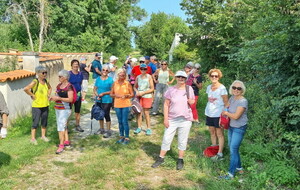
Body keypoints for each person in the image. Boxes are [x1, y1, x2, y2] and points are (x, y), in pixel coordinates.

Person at [151, 70, 195, 170]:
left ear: (185, 79)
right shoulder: (171, 90)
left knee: (182, 140)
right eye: (179, 77)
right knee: (166, 138)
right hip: (172, 119)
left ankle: (180, 159)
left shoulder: (189, 89)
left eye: (183, 77)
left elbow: (192, 102)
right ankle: (161, 158)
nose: (181, 79)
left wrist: (191, 101)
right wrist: (165, 119)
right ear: (175, 78)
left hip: (185, 119)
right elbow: (166, 105)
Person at [220, 80, 248, 179]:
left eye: (238, 88)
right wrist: (224, 111)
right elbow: (226, 107)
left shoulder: (243, 101)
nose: (236, 90)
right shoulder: (232, 98)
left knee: (233, 149)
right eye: (234, 88)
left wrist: (226, 113)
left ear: (242, 90)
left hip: (239, 128)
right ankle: (239, 167)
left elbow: (236, 116)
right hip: (231, 126)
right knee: (233, 148)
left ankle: (230, 174)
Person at [205, 68, 228, 161]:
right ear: (210, 77)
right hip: (209, 113)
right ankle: (214, 148)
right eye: (212, 76)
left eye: (216, 76)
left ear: (219, 77)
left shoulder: (222, 88)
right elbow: (209, 100)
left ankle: (220, 153)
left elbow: (226, 103)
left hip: (218, 114)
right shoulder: (208, 87)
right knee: (212, 131)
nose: (214, 77)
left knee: (219, 133)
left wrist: (223, 116)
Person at [24, 65, 52, 144]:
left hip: (45, 105)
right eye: (43, 73)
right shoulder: (35, 81)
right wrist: (32, 95)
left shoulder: (46, 81)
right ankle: (33, 138)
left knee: (44, 121)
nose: (45, 74)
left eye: (46, 72)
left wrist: (48, 94)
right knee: (35, 122)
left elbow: (50, 88)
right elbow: (26, 89)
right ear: (38, 73)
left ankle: (43, 136)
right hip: (36, 106)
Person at [50, 70, 73, 154]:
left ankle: (61, 145)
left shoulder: (69, 87)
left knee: (60, 126)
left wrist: (59, 98)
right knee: (63, 125)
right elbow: (57, 95)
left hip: (65, 109)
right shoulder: (59, 86)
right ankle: (66, 141)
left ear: (65, 77)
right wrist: (53, 98)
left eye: (60, 76)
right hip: (58, 108)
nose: (59, 78)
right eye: (59, 76)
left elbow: (70, 99)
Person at [110, 68, 134, 145]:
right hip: (117, 105)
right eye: (120, 74)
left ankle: (127, 138)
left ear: (125, 75)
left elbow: (132, 94)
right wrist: (115, 95)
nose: (122, 75)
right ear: (118, 75)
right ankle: (121, 137)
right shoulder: (115, 83)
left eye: (123, 74)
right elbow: (111, 94)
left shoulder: (127, 83)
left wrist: (127, 95)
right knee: (120, 122)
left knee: (124, 121)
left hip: (126, 104)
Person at [133, 63, 154, 135]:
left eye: (144, 69)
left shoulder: (149, 77)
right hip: (139, 96)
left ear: (146, 69)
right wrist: (137, 91)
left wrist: (143, 92)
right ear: (140, 69)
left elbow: (152, 88)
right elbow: (135, 87)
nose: (143, 70)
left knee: (146, 113)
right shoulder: (138, 77)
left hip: (147, 96)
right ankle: (139, 127)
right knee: (138, 112)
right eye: (141, 69)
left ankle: (148, 128)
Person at [93, 65, 114, 138]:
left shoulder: (110, 80)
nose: (104, 71)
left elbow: (112, 90)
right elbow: (94, 89)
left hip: (107, 100)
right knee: (100, 114)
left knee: (106, 114)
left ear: (108, 72)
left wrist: (104, 93)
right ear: (101, 71)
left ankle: (108, 130)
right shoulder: (98, 79)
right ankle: (101, 129)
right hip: (99, 99)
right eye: (103, 70)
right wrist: (97, 95)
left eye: (106, 70)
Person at [69, 59, 84, 132]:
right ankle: (66, 126)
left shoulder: (80, 74)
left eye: (77, 64)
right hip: (70, 94)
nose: (76, 65)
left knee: (77, 111)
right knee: (68, 111)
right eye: (74, 64)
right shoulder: (68, 74)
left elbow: (80, 83)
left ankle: (77, 125)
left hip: (78, 94)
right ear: (71, 65)